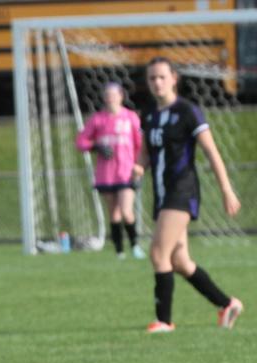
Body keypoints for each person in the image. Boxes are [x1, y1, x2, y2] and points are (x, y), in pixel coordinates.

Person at [136, 57, 243, 333]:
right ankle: (227, 303)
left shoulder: (188, 111)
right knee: (180, 262)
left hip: (181, 191)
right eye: (152, 78)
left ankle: (163, 321)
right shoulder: (148, 114)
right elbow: (146, 153)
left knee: (158, 253)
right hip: (161, 194)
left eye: (161, 77)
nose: (157, 82)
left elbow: (211, 152)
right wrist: (137, 168)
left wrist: (226, 189)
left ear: (174, 78)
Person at [75, 82, 145, 260]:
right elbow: (81, 142)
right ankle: (119, 251)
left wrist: (139, 164)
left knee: (126, 211)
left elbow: (140, 144)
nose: (110, 98)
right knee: (113, 213)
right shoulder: (97, 120)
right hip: (106, 174)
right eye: (107, 95)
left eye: (114, 94)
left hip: (126, 171)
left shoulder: (131, 118)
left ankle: (135, 245)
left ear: (121, 96)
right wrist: (95, 145)